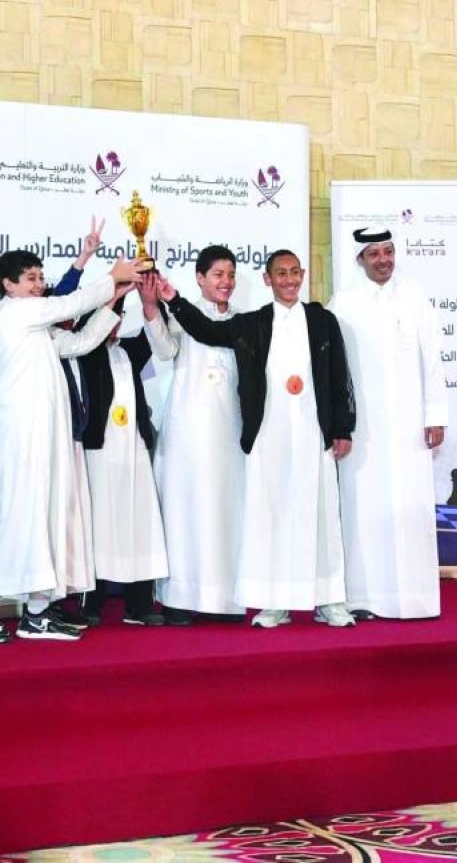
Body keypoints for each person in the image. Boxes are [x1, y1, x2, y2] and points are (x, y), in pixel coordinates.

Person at [156, 250, 357, 628]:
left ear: (303, 275)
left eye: (294, 272)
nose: (289, 280)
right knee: (271, 515)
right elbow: (207, 331)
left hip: (314, 434)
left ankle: (329, 600)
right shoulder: (253, 323)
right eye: (280, 273)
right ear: (268, 280)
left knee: (322, 515)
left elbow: (339, 376)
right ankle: (274, 601)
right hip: (268, 436)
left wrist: (343, 427)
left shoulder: (322, 320)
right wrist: (174, 300)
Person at [0, 250, 146, 643]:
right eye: (29, 278)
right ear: (8, 286)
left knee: (45, 515)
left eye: (39, 277)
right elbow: (71, 303)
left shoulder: (39, 326)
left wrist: (113, 300)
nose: (38, 284)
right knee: (21, 516)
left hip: (48, 432)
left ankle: (36, 611)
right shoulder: (15, 313)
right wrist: (110, 277)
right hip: (22, 432)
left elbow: (81, 342)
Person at [327, 226, 447, 620]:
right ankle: (364, 598)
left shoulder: (415, 298)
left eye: (389, 252)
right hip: (363, 430)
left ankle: (415, 599)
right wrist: (337, 425)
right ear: (360, 259)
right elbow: (333, 370)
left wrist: (435, 415)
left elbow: (432, 359)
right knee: (363, 506)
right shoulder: (342, 304)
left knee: (408, 505)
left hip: (410, 427)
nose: (384, 260)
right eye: (375, 254)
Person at [141, 246, 245, 624]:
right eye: (218, 274)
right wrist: (153, 310)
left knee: (225, 508)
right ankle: (180, 598)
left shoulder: (243, 321)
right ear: (200, 278)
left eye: (231, 275)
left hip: (229, 432)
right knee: (186, 508)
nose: (226, 282)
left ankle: (225, 599)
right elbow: (165, 351)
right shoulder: (183, 315)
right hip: (188, 430)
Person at [79, 288, 168, 627]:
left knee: (141, 523)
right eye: (109, 318)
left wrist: (149, 297)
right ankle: (93, 602)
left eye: (118, 319)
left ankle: (140, 604)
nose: (115, 325)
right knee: (101, 526)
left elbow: (152, 330)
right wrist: (113, 293)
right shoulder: (84, 353)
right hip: (100, 452)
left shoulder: (128, 351)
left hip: (134, 452)